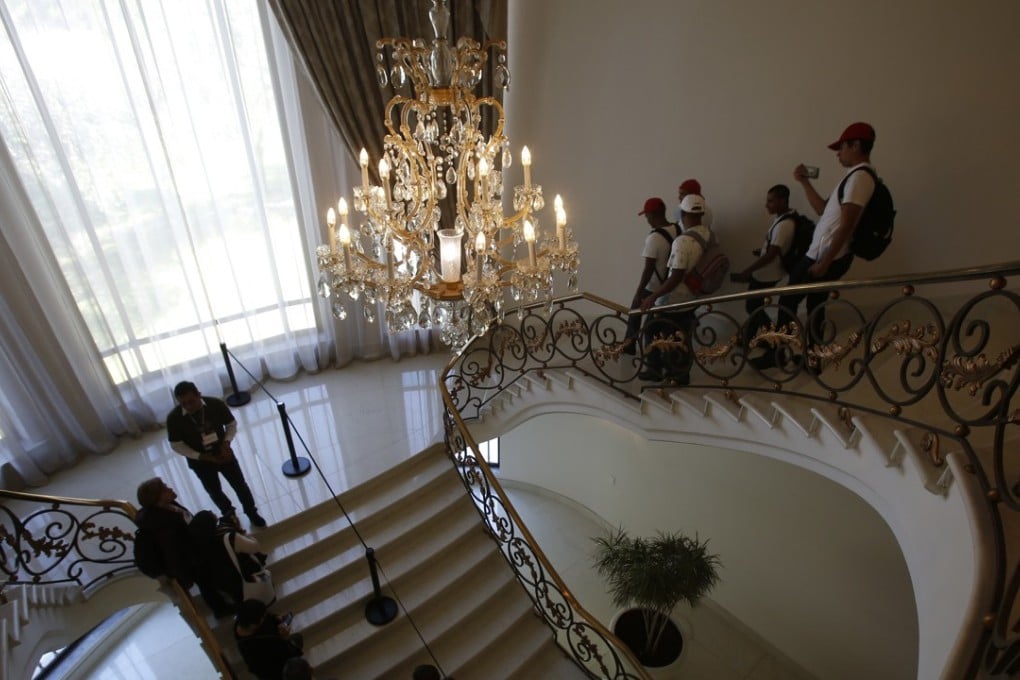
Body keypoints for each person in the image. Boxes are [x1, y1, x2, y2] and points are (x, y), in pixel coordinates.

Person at [765, 122, 878, 368]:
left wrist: (825, 262)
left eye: (841, 148)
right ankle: (812, 358)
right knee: (816, 305)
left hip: (824, 257)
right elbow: (822, 210)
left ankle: (780, 352)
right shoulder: (853, 177)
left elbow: (847, 225)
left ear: (856, 146)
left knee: (788, 301)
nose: (838, 154)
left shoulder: (860, 177)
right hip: (824, 255)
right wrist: (805, 182)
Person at [167, 381, 266, 528]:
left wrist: (226, 443)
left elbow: (231, 424)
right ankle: (229, 514)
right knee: (214, 491)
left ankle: (251, 512)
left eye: (191, 402)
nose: (188, 407)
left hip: (223, 453)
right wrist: (200, 456)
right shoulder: (174, 418)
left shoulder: (215, 404)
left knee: (240, 485)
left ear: (199, 395)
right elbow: (176, 444)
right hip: (200, 462)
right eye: (183, 403)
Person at [638, 193, 714, 384]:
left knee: (653, 330)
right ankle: (680, 373)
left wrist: (652, 297)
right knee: (681, 334)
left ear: (683, 213)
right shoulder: (709, 234)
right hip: (694, 295)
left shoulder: (682, 242)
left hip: (676, 298)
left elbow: (675, 278)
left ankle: (660, 369)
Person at [134, 477, 233, 617]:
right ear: (158, 498)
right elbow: (177, 550)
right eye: (165, 489)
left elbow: (188, 525)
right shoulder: (163, 526)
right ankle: (220, 609)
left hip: (194, 552)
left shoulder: (168, 506)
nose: (170, 489)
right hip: (192, 560)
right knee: (206, 583)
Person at [731, 185, 797, 349]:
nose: (767, 205)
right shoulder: (783, 219)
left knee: (752, 306)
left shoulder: (784, 225)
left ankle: (771, 337)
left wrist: (748, 271)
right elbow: (774, 249)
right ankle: (751, 338)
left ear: (783, 201)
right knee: (755, 306)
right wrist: (762, 251)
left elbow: (772, 254)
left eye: (771, 201)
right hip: (769, 271)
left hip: (768, 273)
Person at [624, 197, 678, 353]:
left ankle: (629, 345)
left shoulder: (654, 238)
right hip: (670, 283)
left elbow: (648, 268)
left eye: (647, 216)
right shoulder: (677, 229)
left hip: (653, 286)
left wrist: (639, 292)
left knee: (635, 313)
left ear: (653, 215)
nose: (647, 220)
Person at [187, 509, 266, 610]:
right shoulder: (228, 537)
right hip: (243, 576)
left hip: (223, 582)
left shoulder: (198, 546)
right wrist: (240, 531)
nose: (212, 512)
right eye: (210, 513)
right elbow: (255, 547)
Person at [234, 598, 304, 680]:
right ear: (253, 625)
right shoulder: (258, 649)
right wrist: (284, 638)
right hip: (278, 669)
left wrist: (276, 617)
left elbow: (266, 616)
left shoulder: (241, 622)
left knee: (297, 637)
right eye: (263, 617)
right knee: (297, 642)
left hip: (278, 643)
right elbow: (285, 654)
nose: (265, 617)